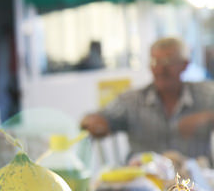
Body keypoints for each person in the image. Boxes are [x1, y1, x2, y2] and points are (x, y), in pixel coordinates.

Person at [81, 37, 214, 163]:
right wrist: (93, 123)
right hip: (144, 182)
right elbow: (98, 119)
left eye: (168, 62)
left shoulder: (206, 94)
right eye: (155, 62)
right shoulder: (131, 100)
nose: (160, 69)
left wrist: (206, 117)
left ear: (185, 64)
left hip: (195, 181)